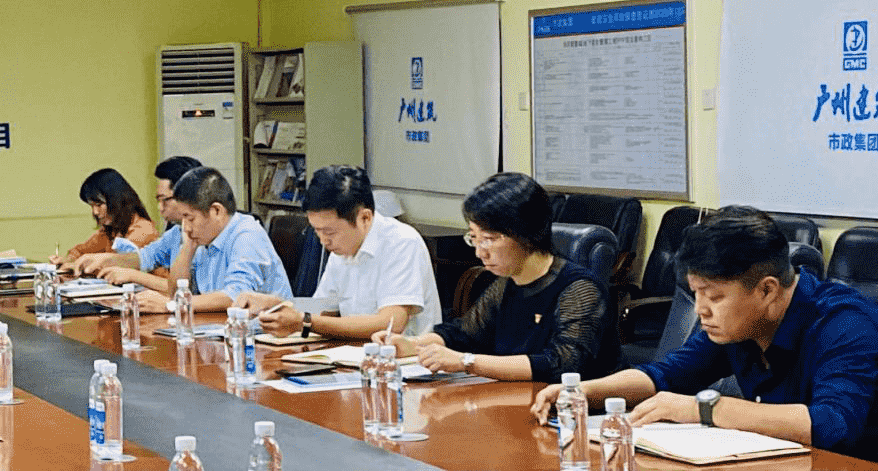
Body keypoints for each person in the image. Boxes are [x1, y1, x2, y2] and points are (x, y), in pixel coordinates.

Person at [530, 205, 878, 460]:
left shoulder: (845, 324)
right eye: (696, 293)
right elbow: (666, 376)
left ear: (767, 289)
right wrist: (581, 392)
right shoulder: (739, 323)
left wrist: (706, 409)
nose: (699, 310)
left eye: (714, 296)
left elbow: (833, 425)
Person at [372, 172, 625, 383]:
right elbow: (464, 333)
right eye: (474, 238)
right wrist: (412, 345)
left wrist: (466, 362)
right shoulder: (507, 283)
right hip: (517, 400)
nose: (480, 252)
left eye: (489, 239)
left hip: (575, 413)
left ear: (526, 233)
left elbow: (562, 364)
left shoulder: (580, 289)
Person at [236, 165, 441, 339]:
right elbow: (324, 308)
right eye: (316, 230)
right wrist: (275, 304)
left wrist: (304, 322)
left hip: (403, 363)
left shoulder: (402, 242)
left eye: (329, 232)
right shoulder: (341, 248)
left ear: (365, 218)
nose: (323, 241)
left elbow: (391, 324)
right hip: (352, 355)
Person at [133, 166, 292, 313]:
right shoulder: (204, 238)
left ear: (216, 211)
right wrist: (187, 248)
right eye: (183, 219)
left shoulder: (247, 235)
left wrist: (171, 306)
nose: (186, 228)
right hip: (220, 326)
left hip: (264, 330)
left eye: (190, 218)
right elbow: (176, 292)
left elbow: (235, 297)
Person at [73, 156, 202, 291]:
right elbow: (144, 257)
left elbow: (184, 289)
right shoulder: (175, 233)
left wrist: (132, 275)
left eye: (164, 200)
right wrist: (104, 259)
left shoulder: (210, 237)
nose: (160, 208)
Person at [51, 168, 158, 271]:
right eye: (92, 206)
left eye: (99, 204)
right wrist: (66, 260)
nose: (95, 212)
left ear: (118, 200)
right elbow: (79, 251)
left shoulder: (143, 230)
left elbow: (116, 266)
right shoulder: (110, 231)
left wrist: (77, 265)